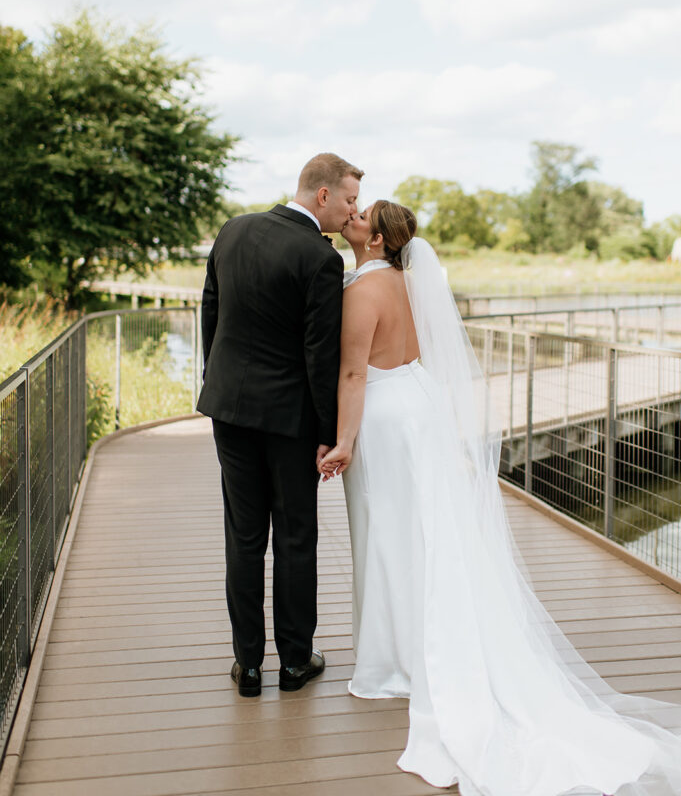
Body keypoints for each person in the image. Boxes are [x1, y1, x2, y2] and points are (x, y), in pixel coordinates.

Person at [318, 199, 681, 796]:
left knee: (385, 533)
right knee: (420, 531)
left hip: (384, 419)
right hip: (419, 408)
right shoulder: (406, 283)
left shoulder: (362, 292)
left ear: (378, 240)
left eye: (361, 218)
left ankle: (391, 666)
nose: (351, 218)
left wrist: (342, 441)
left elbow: (354, 373)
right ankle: (405, 653)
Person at [198, 153, 363, 697]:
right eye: (348, 199)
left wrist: (217, 382)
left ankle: (247, 665)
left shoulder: (233, 230)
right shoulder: (320, 258)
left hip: (230, 409)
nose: (351, 210)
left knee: (243, 538)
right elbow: (320, 356)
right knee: (294, 538)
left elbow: (212, 314)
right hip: (290, 421)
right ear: (322, 196)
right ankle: (294, 662)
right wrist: (327, 431)